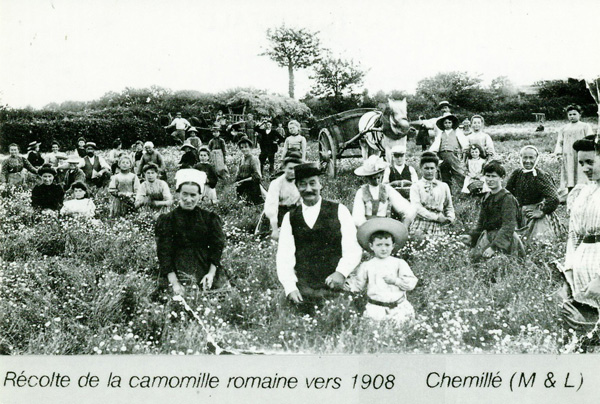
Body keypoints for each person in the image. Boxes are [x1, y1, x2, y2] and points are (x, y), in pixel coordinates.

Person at [276, 162, 362, 306]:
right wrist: (290, 287)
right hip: (305, 285)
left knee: (341, 306)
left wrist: (341, 272)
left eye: (312, 183)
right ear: (297, 187)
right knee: (303, 306)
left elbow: (353, 248)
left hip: (335, 281)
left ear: (320, 185)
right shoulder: (290, 217)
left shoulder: (339, 210)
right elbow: (284, 256)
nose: (308, 189)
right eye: (302, 184)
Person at [155, 170, 226, 295]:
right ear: (178, 194)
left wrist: (211, 274)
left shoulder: (209, 218)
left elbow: (217, 248)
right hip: (177, 268)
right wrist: (175, 283)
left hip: (205, 265)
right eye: (185, 194)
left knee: (218, 296)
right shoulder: (167, 219)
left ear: (200, 195)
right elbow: (164, 252)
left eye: (193, 195)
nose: (188, 199)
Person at [560, 136, 600, 326]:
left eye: (590, 162)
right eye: (581, 163)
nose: (585, 168)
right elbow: (573, 235)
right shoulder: (583, 192)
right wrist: (570, 267)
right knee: (583, 324)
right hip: (582, 262)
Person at [345, 218, 417, 323]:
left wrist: (395, 281)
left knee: (400, 333)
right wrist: (346, 283)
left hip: (398, 307)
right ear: (371, 246)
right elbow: (358, 285)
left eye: (387, 245)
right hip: (376, 308)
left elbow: (411, 283)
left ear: (393, 246)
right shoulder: (367, 265)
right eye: (379, 245)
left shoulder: (399, 263)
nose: (383, 249)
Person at [460, 161, 525, 260]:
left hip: (505, 240)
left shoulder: (507, 198)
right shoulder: (487, 197)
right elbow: (481, 223)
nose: (490, 180)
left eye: (494, 176)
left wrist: (494, 247)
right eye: (488, 176)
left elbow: (508, 226)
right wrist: (472, 237)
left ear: (502, 178)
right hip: (488, 237)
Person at [506, 145, 563, 243]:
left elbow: (554, 198)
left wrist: (541, 212)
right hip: (519, 213)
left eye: (531, 158)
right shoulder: (517, 173)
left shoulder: (541, 175)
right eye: (525, 157)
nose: (528, 161)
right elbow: (508, 193)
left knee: (538, 241)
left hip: (534, 213)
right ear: (520, 158)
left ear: (536, 158)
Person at [352, 155, 416, 228]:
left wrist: (405, 223)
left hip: (384, 225)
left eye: (378, 178)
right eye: (373, 178)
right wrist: (365, 227)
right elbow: (357, 216)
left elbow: (404, 206)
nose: (377, 180)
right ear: (367, 177)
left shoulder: (386, 189)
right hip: (367, 226)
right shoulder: (361, 191)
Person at [410, 152, 456, 237]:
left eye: (432, 168)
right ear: (421, 168)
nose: (429, 171)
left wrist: (450, 218)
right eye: (426, 168)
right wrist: (436, 217)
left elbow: (449, 206)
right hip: (421, 223)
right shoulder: (416, 186)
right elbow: (417, 208)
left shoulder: (443, 186)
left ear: (436, 169)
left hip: (440, 224)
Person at [554, 104, 594, 192]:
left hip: (580, 153)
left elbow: (590, 139)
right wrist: (559, 153)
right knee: (569, 172)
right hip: (568, 154)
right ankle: (570, 190)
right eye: (570, 114)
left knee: (581, 171)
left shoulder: (585, 126)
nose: (572, 116)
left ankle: (584, 190)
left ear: (580, 114)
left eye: (574, 114)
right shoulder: (564, 128)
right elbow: (560, 142)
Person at [264, 152, 302, 240]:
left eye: (295, 169)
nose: (293, 172)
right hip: (279, 214)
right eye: (290, 168)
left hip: (295, 212)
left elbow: (303, 202)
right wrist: (275, 229)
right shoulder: (276, 183)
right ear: (284, 168)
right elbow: (272, 206)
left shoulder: (300, 182)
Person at [429, 114, 469, 190]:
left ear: (452, 123)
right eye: (445, 123)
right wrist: (433, 151)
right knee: (444, 172)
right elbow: (436, 144)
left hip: (453, 155)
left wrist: (463, 150)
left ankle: (465, 189)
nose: (447, 125)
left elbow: (464, 142)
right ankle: (447, 190)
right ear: (443, 124)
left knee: (458, 171)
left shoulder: (457, 132)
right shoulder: (441, 133)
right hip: (442, 155)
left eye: (449, 122)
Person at [234, 136, 262, 205]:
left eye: (246, 147)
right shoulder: (241, 160)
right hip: (242, 185)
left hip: (252, 185)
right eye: (242, 147)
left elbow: (257, 176)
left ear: (250, 148)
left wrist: (243, 181)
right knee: (240, 204)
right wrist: (237, 182)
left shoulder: (254, 159)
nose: (244, 149)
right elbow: (238, 173)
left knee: (250, 203)